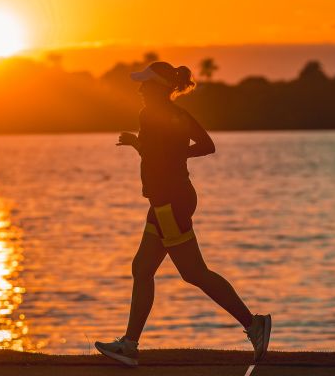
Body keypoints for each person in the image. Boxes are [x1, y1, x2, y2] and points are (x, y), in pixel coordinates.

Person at [94, 61, 271, 366]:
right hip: (173, 200)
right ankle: (130, 345)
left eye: (144, 85)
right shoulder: (177, 114)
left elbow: (159, 155)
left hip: (169, 203)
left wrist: (143, 145)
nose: (139, 89)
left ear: (158, 88)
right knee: (143, 268)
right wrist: (162, 150)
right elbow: (206, 145)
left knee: (194, 273)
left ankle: (253, 324)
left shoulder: (149, 114)